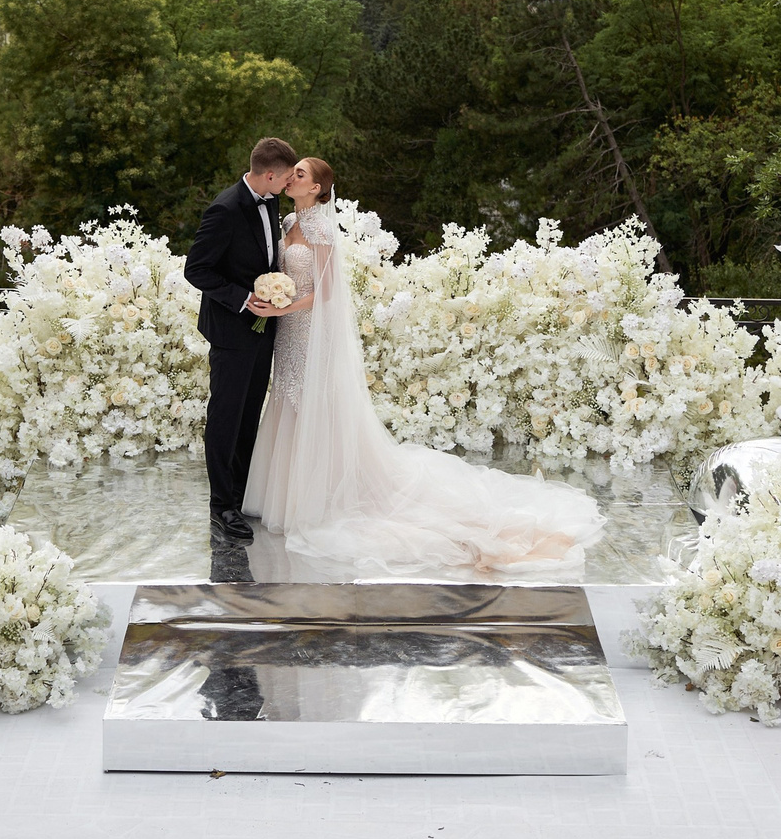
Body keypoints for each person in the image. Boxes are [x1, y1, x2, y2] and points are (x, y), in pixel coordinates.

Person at [244, 156, 605, 576]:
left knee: (314, 403)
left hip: (309, 331)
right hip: (288, 334)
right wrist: (275, 302)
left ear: (318, 189)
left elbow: (326, 294)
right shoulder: (288, 224)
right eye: (293, 173)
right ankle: (286, 494)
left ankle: (324, 496)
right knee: (288, 397)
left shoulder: (324, 228)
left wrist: (281, 309)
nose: (292, 178)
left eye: (300, 174)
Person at [183, 137, 300, 542]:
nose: (287, 186)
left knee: (250, 413)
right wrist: (242, 299)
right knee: (226, 417)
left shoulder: (270, 200)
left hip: (263, 330)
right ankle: (221, 507)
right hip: (232, 331)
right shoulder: (226, 208)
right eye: (285, 179)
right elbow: (196, 269)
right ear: (269, 174)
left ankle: (239, 495)